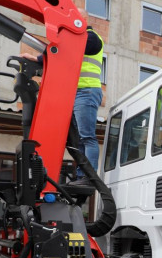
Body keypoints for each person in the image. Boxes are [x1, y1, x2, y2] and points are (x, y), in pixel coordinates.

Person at [22, 21, 104, 183]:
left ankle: (89, 177)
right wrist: (39, 60)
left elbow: (67, 47)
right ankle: (82, 175)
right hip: (74, 93)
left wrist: (40, 56)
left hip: (86, 91)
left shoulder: (92, 38)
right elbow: (60, 53)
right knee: (78, 139)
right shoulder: (77, 39)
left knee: (87, 137)